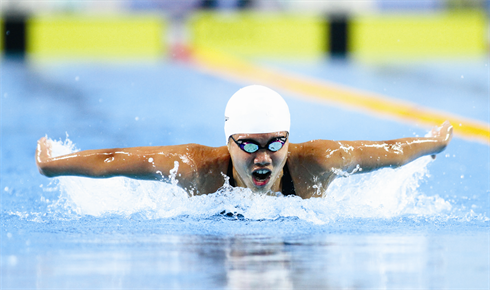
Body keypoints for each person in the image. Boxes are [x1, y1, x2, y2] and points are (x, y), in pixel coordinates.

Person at [36, 85, 453, 199]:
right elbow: (117, 159)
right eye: (249, 145)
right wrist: (53, 163)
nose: (264, 157)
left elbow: (391, 154)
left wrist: (433, 143)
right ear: (229, 143)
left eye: (275, 143)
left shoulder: (317, 163)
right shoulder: (200, 170)